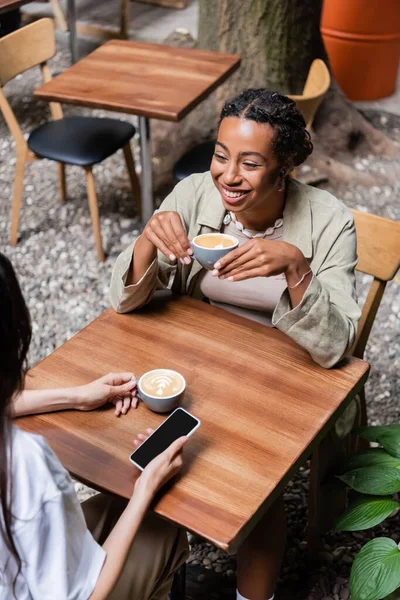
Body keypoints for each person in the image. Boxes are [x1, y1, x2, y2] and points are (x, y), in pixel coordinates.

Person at [110, 89, 361, 600]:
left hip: (286, 372)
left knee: (257, 487)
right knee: (127, 437)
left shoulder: (329, 221)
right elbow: (127, 305)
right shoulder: (194, 194)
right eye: (221, 155)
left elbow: (335, 348)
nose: (228, 175)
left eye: (250, 163)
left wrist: (296, 266)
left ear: (286, 166)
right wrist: (145, 243)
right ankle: (142, 563)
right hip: (199, 355)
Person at [0, 252, 189, 600]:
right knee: (163, 528)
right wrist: (146, 487)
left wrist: (76, 396)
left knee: (118, 505)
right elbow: (85, 596)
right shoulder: (22, 463)